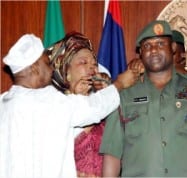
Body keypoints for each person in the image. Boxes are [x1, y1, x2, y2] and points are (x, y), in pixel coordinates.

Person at [0, 34, 139, 178]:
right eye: (47, 64)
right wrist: (120, 84)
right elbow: (95, 108)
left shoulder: (3, 103)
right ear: (35, 68)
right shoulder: (50, 101)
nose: (52, 70)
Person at [100, 20, 187, 177]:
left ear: (173, 48)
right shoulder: (124, 94)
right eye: (147, 46)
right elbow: (112, 154)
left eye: (160, 44)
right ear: (140, 52)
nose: (154, 50)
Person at [48, 31, 111, 177]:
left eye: (94, 64)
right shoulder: (54, 106)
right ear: (66, 71)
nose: (92, 68)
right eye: (83, 62)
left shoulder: (105, 103)